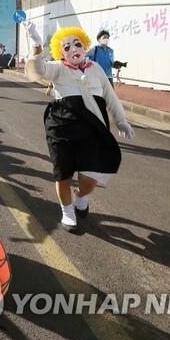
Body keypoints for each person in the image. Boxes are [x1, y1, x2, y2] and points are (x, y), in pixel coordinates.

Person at [23, 22, 135, 232]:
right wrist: (36, 45)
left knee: (89, 178)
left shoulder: (96, 68)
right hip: (61, 126)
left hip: (91, 129)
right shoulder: (58, 68)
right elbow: (39, 69)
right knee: (63, 173)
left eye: (77, 44)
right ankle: (67, 212)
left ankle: (80, 196)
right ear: (61, 53)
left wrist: (121, 119)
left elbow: (110, 95)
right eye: (67, 48)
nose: (73, 49)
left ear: (84, 46)